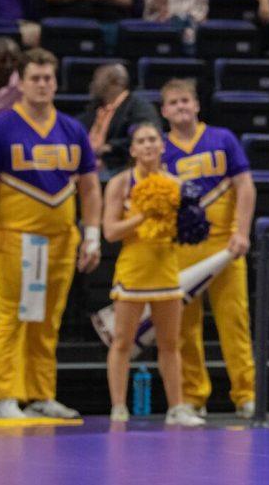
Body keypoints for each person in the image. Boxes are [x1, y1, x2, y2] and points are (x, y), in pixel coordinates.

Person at [0, 47, 102, 419]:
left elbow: (89, 187)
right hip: (13, 237)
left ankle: (41, 393)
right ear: (21, 84)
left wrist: (92, 234)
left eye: (48, 78)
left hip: (60, 240)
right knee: (10, 315)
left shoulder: (71, 128)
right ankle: (6, 395)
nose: (42, 85)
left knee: (47, 317)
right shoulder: (0, 128)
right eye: (35, 78)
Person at [158, 78, 256, 418]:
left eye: (186, 100)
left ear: (197, 105)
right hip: (181, 250)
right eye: (174, 102)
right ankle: (193, 396)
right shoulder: (159, 149)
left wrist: (242, 232)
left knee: (235, 322)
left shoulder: (222, 139)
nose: (181, 107)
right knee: (184, 328)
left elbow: (245, 186)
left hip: (225, 247)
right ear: (164, 111)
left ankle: (245, 395)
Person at [102, 122, 204, 427]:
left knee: (171, 343)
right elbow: (109, 232)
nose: (147, 145)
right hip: (133, 268)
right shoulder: (120, 184)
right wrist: (144, 215)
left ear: (162, 147)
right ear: (133, 150)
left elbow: (187, 229)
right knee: (122, 342)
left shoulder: (176, 184)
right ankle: (118, 407)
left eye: (153, 140)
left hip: (167, 267)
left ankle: (177, 407)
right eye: (141, 141)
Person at [80, 63, 161, 177]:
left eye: (99, 79)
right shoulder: (95, 108)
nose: (94, 83)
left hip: (118, 164)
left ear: (117, 82)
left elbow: (146, 136)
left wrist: (109, 147)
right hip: (89, 162)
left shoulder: (137, 106)